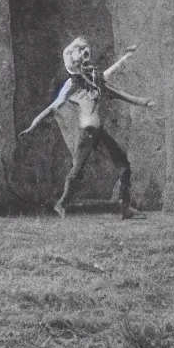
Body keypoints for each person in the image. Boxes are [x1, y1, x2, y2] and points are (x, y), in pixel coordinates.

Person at [19, 37, 154, 219]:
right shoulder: (72, 84)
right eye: (81, 53)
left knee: (123, 165)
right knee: (77, 171)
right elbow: (53, 107)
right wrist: (32, 126)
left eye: (85, 51)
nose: (85, 56)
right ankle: (62, 204)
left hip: (98, 132)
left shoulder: (94, 78)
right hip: (87, 133)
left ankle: (125, 207)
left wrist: (127, 59)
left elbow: (113, 82)